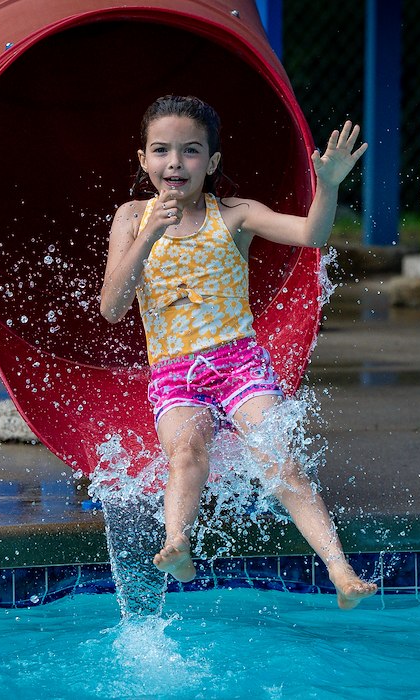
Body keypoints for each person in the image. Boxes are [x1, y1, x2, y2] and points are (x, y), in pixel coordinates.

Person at [100, 95, 377, 609]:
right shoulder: (131, 218)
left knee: (280, 460)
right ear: (143, 159)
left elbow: (311, 234)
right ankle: (177, 542)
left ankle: (340, 570)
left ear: (213, 161)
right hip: (174, 372)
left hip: (238, 364)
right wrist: (148, 236)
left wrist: (330, 185)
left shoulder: (235, 214)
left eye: (190, 151)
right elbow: (113, 306)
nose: (175, 163)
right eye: (161, 150)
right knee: (186, 453)